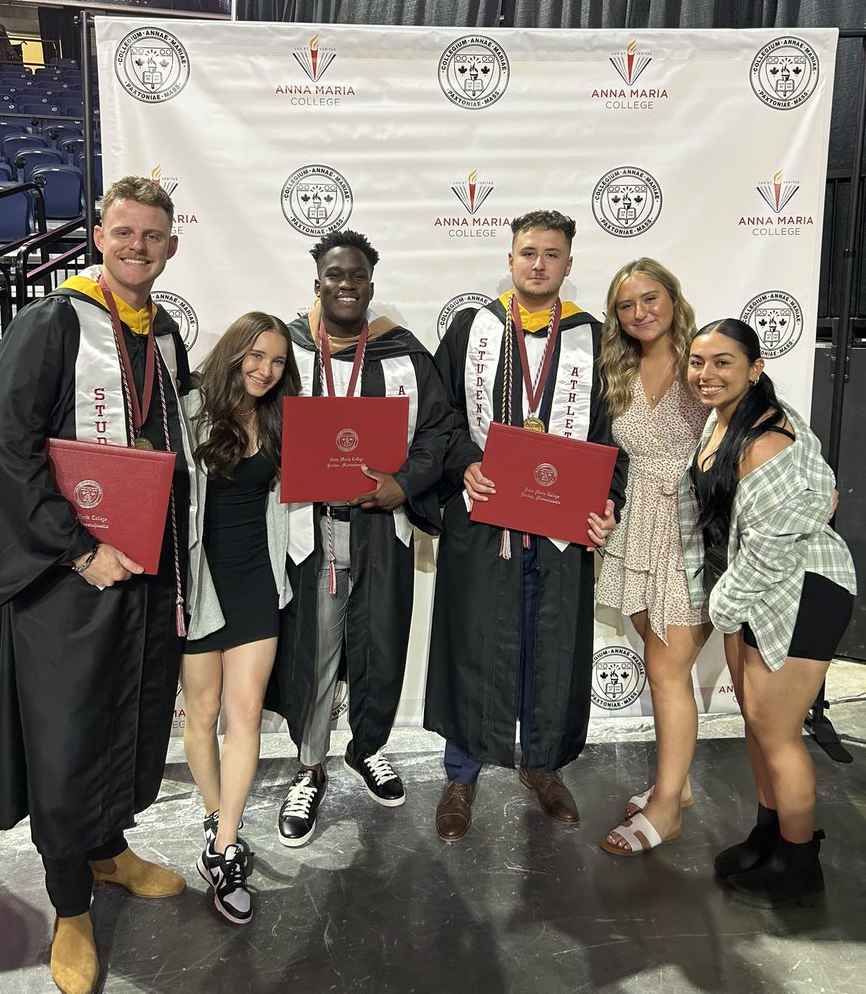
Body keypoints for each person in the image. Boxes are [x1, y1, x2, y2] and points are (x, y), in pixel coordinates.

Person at [0, 176, 193, 994]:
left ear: (172, 245)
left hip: (140, 572)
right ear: (98, 235)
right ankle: (69, 905)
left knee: (128, 714)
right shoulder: (51, 323)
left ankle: (108, 852)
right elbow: (4, 453)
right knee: (67, 741)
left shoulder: (160, 335)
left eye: (154, 235)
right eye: (124, 231)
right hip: (71, 582)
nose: (138, 245)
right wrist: (75, 550)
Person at [424, 209, 624, 842]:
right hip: (485, 524)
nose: (539, 263)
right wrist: (466, 464)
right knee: (473, 639)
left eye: (552, 254)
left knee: (553, 646)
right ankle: (462, 774)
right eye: (528, 252)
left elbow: (610, 438)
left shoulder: (593, 339)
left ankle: (542, 765)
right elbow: (440, 419)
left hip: (559, 531)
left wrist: (608, 499)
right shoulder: (470, 329)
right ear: (510, 260)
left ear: (568, 264)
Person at [274, 229, 451, 846]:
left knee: (380, 639)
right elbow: (255, 420)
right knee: (316, 646)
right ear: (317, 280)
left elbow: (439, 431)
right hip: (311, 528)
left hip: (382, 526)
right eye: (334, 276)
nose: (345, 285)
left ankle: (368, 745)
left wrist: (404, 484)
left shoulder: (402, 354)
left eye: (356, 277)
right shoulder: (287, 351)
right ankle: (310, 763)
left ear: (371, 285)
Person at [678, 318, 855, 907]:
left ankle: (801, 866)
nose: (707, 373)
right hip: (752, 588)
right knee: (756, 722)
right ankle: (770, 837)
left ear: (755, 367)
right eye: (699, 361)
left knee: (778, 734)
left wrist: (723, 605)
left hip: (800, 589)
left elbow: (773, 545)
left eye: (723, 361)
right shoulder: (723, 420)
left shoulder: (765, 437)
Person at [182, 312, 300, 925]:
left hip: (258, 579)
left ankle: (226, 844)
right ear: (233, 354)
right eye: (256, 356)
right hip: (200, 581)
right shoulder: (189, 411)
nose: (265, 370)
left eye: (278, 361)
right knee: (200, 715)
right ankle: (214, 816)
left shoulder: (281, 420)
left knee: (245, 713)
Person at [596, 259, 711, 856]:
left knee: (666, 669)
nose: (640, 312)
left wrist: (814, 480)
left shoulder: (705, 358)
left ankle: (665, 810)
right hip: (631, 526)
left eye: (650, 298)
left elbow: (769, 416)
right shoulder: (613, 368)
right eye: (626, 305)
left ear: (673, 296)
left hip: (688, 530)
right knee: (662, 659)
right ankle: (679, 782)